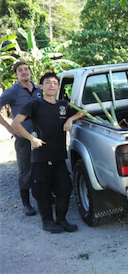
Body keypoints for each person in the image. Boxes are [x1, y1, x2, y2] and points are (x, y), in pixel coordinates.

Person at [12, 72, 84, 233]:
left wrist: (70, 119)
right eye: (48, 83)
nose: (52, 85)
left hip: (59, 156)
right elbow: (16, 123)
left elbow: (82, 112)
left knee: (64, 189)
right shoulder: (34, 105)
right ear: (41, 86)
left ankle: (61, 219)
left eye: (54, 83)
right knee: (42, 190)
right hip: (40, 156)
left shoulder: (63, 105)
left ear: (58, 87)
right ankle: (47, 222)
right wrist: (31, 138)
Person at [0, 61, 43, 216]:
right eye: (20, 70)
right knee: (25, 169)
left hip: (41, 136)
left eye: (26, 69)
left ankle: (44, 197)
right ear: (16, 74)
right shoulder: (12, 91)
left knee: (43, 166)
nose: (24, 72)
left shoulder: (40, 88)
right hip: (24, 137)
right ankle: (26, 204)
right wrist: (9, 128)